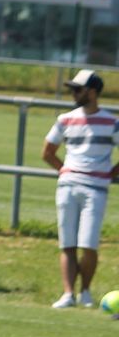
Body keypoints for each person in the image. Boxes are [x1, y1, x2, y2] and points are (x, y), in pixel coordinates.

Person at [41, 69, 115, 309]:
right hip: (67, 186)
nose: (73, 93)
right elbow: (47, 152)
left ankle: (85, 291)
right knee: (68, 243)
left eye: (78, 89)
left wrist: (110, 173)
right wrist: (65, 171)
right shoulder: (65, 119)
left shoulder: (112, 122)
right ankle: (67, 294)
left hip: (96, 190)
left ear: (92, 92)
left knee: (89, 244)